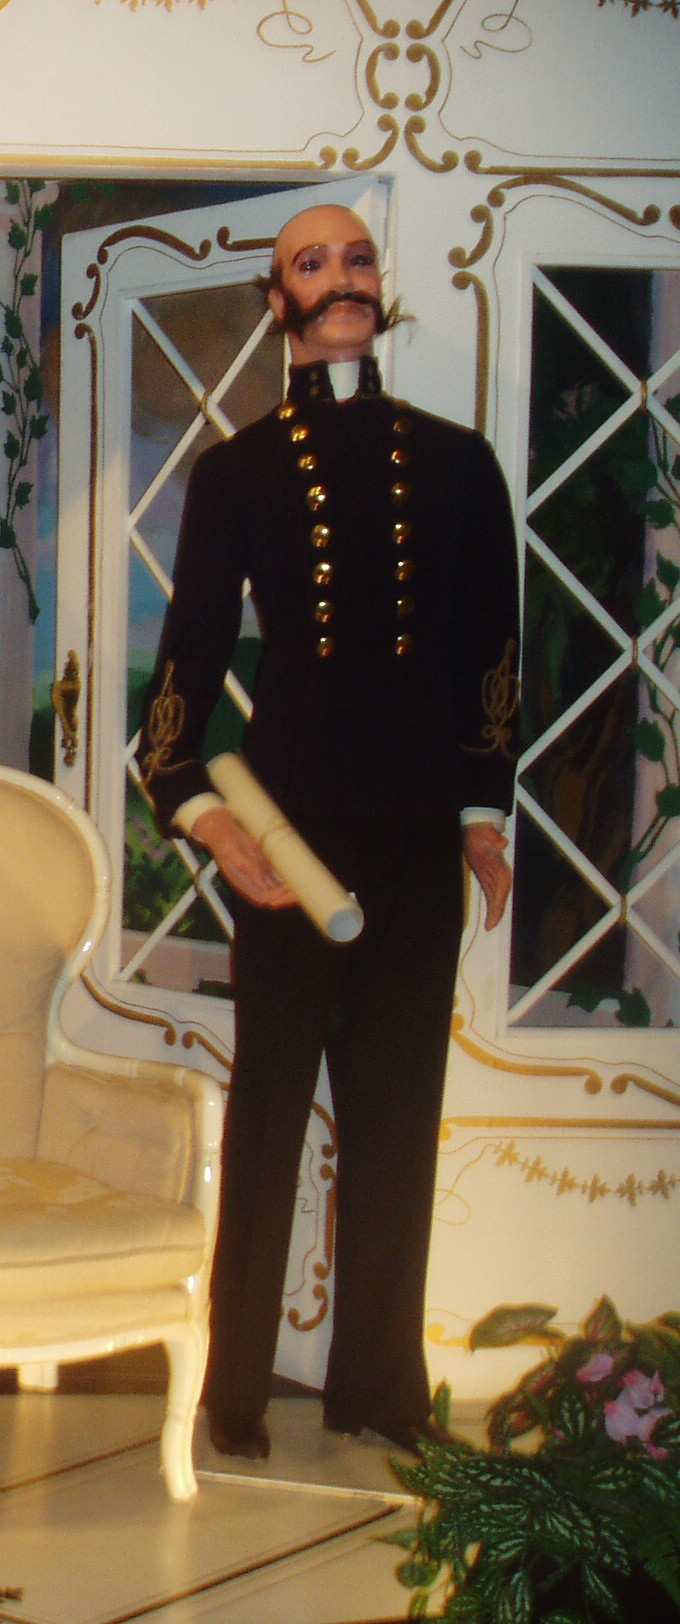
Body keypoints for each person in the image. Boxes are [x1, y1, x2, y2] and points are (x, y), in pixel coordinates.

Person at [139, 203, 519, 1459]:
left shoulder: (459, 463)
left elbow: (489, 650)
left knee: (398, 1118)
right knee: (267, 1112)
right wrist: (206, 816)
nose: (341, 277)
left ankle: (381, 1391)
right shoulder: (237, 472)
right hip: (289, 845)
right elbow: (186, 669)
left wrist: (482, 817)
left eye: (357, 258)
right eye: (313, 263)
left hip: (417, 831)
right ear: (278, 301)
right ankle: (234, 1390)